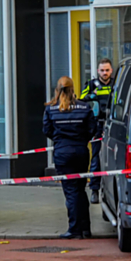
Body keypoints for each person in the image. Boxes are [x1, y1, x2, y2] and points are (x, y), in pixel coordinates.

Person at [44, 76, 96, 239]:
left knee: (71, 191)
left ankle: (74, 229)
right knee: (80, 189)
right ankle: (86, 228)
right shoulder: (84, 107)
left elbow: (47, 130)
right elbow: (92, 129)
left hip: (62, 153)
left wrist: (61, 140)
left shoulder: (51, 109)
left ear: (57, 89)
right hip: (81, 151)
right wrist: (81, 139)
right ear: (73, 88)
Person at [80, 58, 114, 204]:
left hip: (114, 124)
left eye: (107, 70)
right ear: (97, 71)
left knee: (114, 157)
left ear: (111, 70)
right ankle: (94, 190)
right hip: (97, 125)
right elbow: (81, 102)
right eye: (102, 70)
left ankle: (111, 191)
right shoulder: (92, 84)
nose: (105, 73)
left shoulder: (116, 84)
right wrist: (90, 96)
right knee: (96, 157)